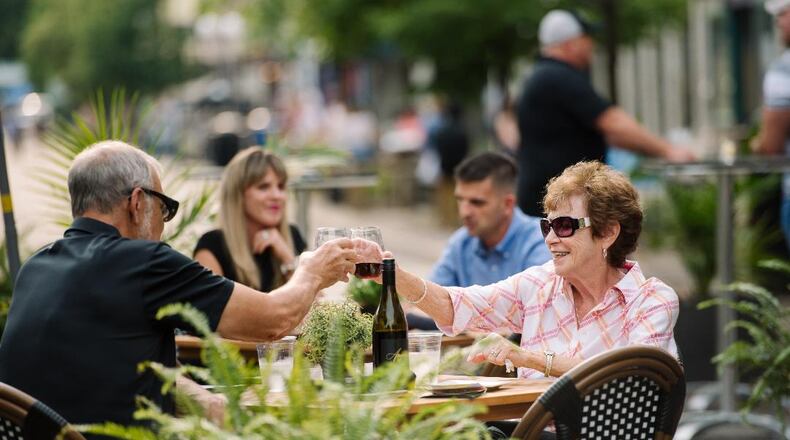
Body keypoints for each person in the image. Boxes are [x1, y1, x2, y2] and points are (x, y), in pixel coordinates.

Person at [0, 141, 356, 430]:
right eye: (164, 208)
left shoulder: (36, 266)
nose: (164, 225)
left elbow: (109, 365)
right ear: (137, 203)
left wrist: (210, 403)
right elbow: (273, 320)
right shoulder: (145, 262)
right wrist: (311, 270)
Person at [383, 161, 678, 382]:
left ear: (608, 233)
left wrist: (529, 358)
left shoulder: (651, 300)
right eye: (547, 226)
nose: (550, 238)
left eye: (564, 226)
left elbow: (630, 377)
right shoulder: (540, 283)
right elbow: (456, 307)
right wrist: (391, 274)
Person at [516, 9, 694, 217]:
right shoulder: (558, 77)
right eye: (586, 38)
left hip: (552, 200)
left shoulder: (542, 76)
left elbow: (611, 133)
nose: (591, 45)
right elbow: (612, 123)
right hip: (557, 207)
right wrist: (669, 151)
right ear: (570, 43)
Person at [430, 151, 551, 287]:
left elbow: (535, 305)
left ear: (507, 204)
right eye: (460, 200)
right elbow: (429, 299)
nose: (464, 212)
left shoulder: (542, 241)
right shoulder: (460, 243)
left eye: (477, 202)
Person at [194, 148, 306, 292]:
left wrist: (287, 258)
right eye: (264, 187)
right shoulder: (213, 246)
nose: (277, 195)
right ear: (238, 195)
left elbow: (318, 310)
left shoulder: (292, 235)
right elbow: (214, 311)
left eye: (281, 186)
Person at [753, 0, 790, 251]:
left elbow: (770, 145)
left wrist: (757, 143)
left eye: (783, 14)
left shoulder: (783, 70)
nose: (778, 22)